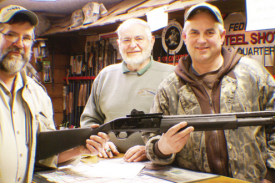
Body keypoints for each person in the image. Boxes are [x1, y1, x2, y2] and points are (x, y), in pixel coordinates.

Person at [143, 2, 275, 183]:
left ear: (222, 36)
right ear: (184, 37)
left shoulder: (254, 74)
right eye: (194, 32)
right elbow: (151, 139)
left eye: (209, 32)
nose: (201, 40)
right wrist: (162, 148)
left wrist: (271, 175)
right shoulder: (169, 87)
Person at [0, 5, 109, 183]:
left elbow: (43, 155)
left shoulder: (37, 94)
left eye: (27, 38)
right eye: (10, 35)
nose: (19, 43)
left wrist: (81, 149)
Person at [81, 18, 176, 162]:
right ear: (119, 44)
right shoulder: (105, 76)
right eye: (126, 40)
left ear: (151, 41)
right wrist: (100, 144)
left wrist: (152, 150)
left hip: (158, 164)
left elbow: (180, 125)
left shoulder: (172, 76)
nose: (133, 45)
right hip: (109, 162)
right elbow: (90, 120)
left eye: (139, 38)